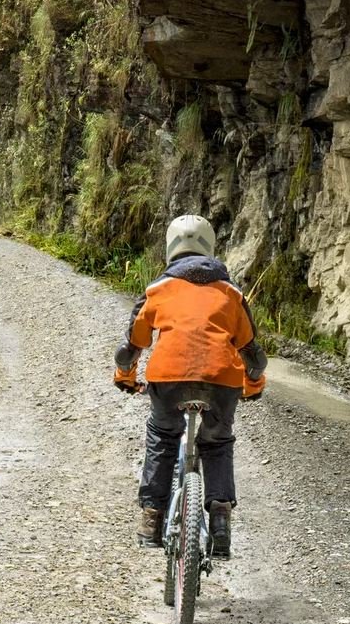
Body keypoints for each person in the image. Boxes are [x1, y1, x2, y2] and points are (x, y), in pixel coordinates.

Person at [112, 214, 266, 558]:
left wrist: (125, 376)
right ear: (210, 247)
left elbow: (130, 347)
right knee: (217, 442)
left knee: (163, 438)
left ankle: (151, 518)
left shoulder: (157, 290)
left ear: (170, 248)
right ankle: (221, 520)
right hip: (222, 382)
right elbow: (253, 354)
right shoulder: (231, 294)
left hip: (168, 378)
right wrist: (252, 384)